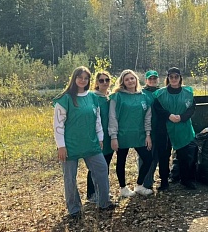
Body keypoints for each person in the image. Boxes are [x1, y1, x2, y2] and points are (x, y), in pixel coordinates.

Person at [53, 66, 115, 219]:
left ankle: (103, 202)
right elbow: (58, 124)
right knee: (70, 177)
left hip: (91, 143)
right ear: (74, 79)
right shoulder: (65, 98)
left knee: (101, 169)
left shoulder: (93, 97)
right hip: (70, 146)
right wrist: (61, 145)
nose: (82, 80)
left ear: (88, 80)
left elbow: (97, 120)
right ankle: (74, 209)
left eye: (86, 78)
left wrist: (100, 138)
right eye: (80, 77)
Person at [109, 69, 153, 197]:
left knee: (148, 158)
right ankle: (123, 188)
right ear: (122, 82)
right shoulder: (117, 96)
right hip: (122, 134)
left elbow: (147, 117)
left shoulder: (144, 96)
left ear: (136, 80)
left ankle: (139, 185)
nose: (130, 81)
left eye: (132, 78)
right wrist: (113, 136)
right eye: (127, 79)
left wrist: (148, 134)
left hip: (139, 134)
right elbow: (113, 117)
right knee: (121, 161)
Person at [154, 67, 197, 190]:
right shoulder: (160, 94)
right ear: (168, 78)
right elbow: (158, 109)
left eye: (176, 77)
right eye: (171, 77)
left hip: (182, 128)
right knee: (164, 156)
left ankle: (185, 179)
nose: (173, 79)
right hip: (165, 129)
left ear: (180, 78)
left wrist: (182, 117)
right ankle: (164, 181)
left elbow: (192, 108)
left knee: (183, 155)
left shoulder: (187, 93)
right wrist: (169, 116)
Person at [86, 71, 114, 203]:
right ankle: (91, 193)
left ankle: (103, 191)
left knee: (105, 165)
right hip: (97, 136)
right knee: (95, 166)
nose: (104, 83)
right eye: (101, 80)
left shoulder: (110, 97)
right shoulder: (92, 97)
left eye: (107, 80)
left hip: (109, 136)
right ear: (96, 82)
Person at [137, 70, 161, 190]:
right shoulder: (141, 93)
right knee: (145, 155)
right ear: (146, 80)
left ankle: (149, 179)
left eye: (154, 79)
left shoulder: (161, 92)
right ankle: (143, 182)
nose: (152, 81)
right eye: (150, 79)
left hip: (159, 128)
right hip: (146, 129)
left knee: (156, 155)